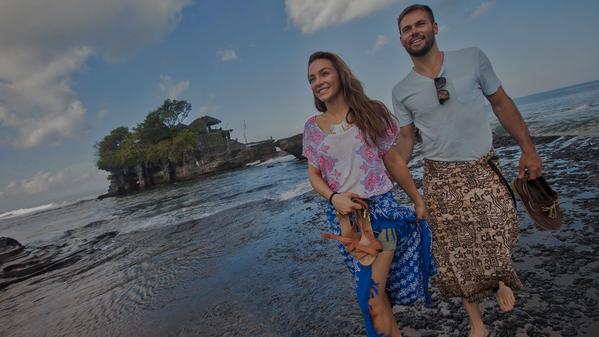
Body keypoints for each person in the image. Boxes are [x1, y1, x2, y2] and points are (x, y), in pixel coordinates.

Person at [392, 4, 542, 337]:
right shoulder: (401, 91)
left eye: (419, 25)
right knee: (454, 252)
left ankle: (500, 278)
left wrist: (528, 150)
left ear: (435, 27)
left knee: (501, 222)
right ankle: (477, 323)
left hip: (482, 165)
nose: (413, 32)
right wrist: (393, 164)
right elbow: (406, 138)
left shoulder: (472, 58)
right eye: (406, 29)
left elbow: (500, 102)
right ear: (400, 39)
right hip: (440, 176)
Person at [303, 51, 435, 337]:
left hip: (382, 215)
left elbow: (394, 161)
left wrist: (417, 200)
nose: (318, 81)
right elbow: (313, 174)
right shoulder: (312, 129)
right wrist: (333, 197)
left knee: (370, 300)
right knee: (379, 298)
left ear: (340, 73)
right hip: (345, 223)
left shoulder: (371, 111)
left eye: (324, 73)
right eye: (312, 78)